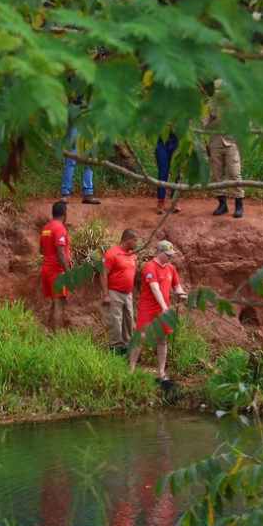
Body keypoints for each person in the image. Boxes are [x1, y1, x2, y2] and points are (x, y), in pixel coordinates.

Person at [129, 240, 187, 380]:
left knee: (162, 339)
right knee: (141, 337)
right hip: (148, 308)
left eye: (171, 255)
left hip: (163, 310)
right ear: (160, 252)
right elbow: (155, 288)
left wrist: (182, 294)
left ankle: (161, 372)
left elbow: (177, 286)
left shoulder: (171, 268)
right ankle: (130, 370)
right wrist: (165, 307)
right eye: (168, 255)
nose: (170, 257)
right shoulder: (150, 267)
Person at [205, 81, 245, 219]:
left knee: (234, 173)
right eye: (217, 89)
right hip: (215, 142)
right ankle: (222, 204)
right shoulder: (211, 104)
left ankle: (239, 204)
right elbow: (204, 124)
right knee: (216, 175)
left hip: (232, 142)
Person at [101, 229, 139, 353]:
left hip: (128, 294)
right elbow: (103, 274)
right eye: (135, 240)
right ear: (128, 240)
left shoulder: (132, 255)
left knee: (129, 320)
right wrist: (106, 294)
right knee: (116, 321)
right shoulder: (112, 253)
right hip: (114, 293)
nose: (136, 243)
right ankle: (115, 348)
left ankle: (127, 347)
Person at [39, 200, 72, 330]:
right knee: (59, 303)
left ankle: (49, 330)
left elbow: (41, 250)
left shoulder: (46, 228)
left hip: (46, 269)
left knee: (54, 302)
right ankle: (57, 337)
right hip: (56, 272)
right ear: (64, 214)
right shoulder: (60, 228)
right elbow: (60, 253)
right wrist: (69, 273)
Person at [61, 98, 100, 204]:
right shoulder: (73, 81)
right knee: (71, 157)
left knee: (89, 158)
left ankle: (88, 194)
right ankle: (66, 194)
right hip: (75, 110)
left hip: (90, 111)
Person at [154, 130, 180, 214]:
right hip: (162, 142)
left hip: (176, 141)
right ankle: (160, 202)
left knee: (176, 172)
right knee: (163, 171)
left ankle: (174, 202)